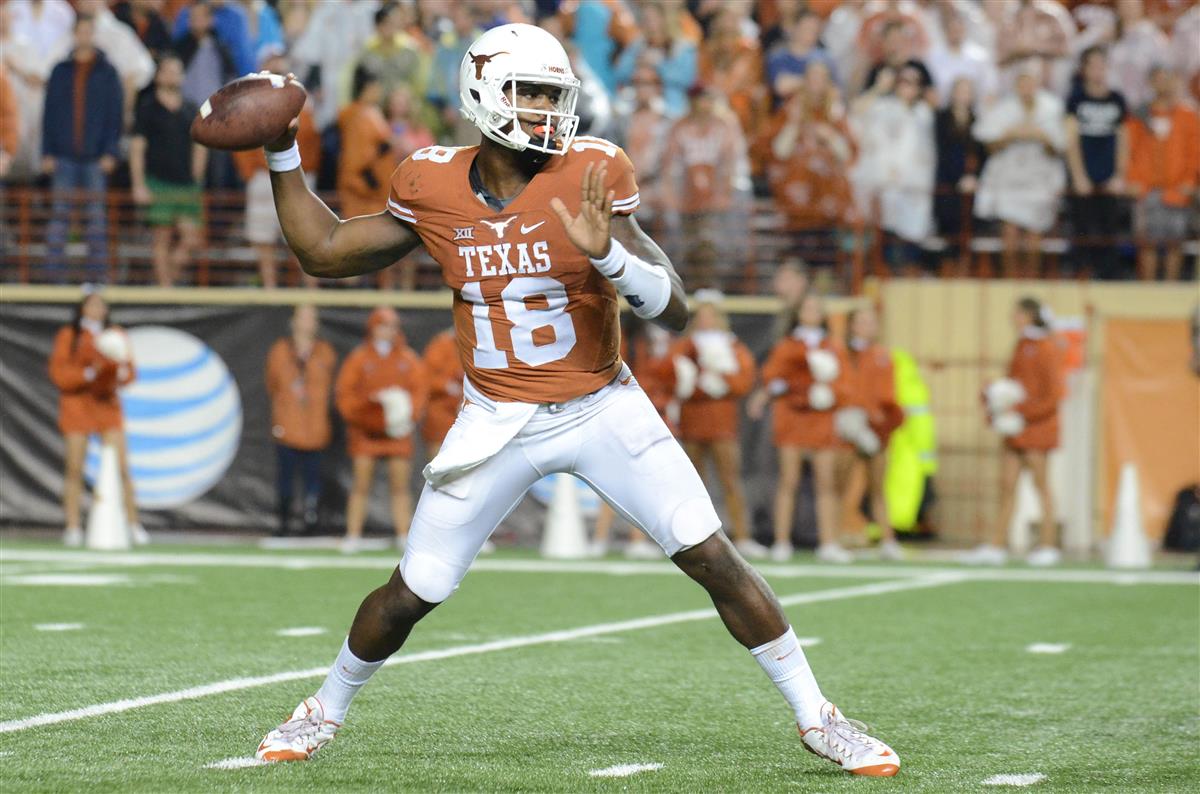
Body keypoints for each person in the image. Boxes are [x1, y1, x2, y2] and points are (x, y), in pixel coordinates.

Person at [253, 23, 899, 776]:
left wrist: (608, 256)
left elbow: (676, 307)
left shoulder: (591, 168)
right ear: (482, 93)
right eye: (528, 93)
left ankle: (819, 717)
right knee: (414, 589)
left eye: (553, 95)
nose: (543, 110)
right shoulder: (428, 182)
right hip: (497, 418)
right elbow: (323, 252)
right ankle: (321, 709)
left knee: (711, 553)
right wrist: (281, 153)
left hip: (600, 404)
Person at [964, 297, 1064, 567]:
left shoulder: (1045, 347)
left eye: (1017, 313)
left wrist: (1024, 413)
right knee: (1006, 485)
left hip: (1037, 427)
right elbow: (1015, 385)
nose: (1013, 317)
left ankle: (1048, 544)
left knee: (1041, 485)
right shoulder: (1022, 345)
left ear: (1030, 316)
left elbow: (1054, 394)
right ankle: (997, 544)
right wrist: (997, 400)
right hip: (1016, 427)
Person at [755, 291, 852, 564]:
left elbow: (846, 384)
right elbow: (773, 377)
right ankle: (782, 541)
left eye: (815, 308)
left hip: (821, 419)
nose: (811, 312)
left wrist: (831, 394)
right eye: (806, 307)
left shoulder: (833, 346)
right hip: (792, 417)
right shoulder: (788, 345)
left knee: (826, 482)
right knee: (789, 480)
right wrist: (799, 391)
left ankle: (829, 543)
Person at [667, 291, 765, 559]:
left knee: (730, 480)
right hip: (692, 422)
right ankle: (689, 537)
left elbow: (745, 380)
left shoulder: (733, 346)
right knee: (692, 484)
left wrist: (724, 382)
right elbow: (672, 377)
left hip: (723, 425)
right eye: (702, 315)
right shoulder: (686, 345)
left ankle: (742, 535)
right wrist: (700, 386)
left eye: (711, 315)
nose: (707, 320)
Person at [48, 290, 147, 548]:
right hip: (77, 406)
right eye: (91, 305)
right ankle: (72, 526)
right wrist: (89, 373)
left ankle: (134, 523)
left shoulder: (115, 334)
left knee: (122, 467)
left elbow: (128, 375)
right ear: (82, 308)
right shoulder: (70, 336)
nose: (97, 309)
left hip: (107, 406)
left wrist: (119, 367)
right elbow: (60, 375)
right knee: (74, 469)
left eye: (100, 305)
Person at [334, 307, 428, 554]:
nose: (388, 331)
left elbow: (419, 392)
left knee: (400, 486)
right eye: (383, 325)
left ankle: (403, 535)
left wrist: (406, 417)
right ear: (373, 328)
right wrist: (365, 414)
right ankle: (353, 534)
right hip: (366, 433)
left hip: (397, 434)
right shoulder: (359, 358)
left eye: (392, 326)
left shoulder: (407, 359)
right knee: (360, 485)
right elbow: (345, 395)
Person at [41, 14, 123, 283]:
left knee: (96, 221)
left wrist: (111, 151)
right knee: (59, 219)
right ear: (74, 34)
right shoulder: (60, 71)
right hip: (64, 155)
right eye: (81, 31)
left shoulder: (108, 72)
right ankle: (55, 279)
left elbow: (115, 115)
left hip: (95, 158)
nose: (85, 36)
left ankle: (97, 280)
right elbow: (49, 114)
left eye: (89, 31)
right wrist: (47, 152)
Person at [231, 52, 321, 289]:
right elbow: (241, 142)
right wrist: (251, 173)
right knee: (263, 239)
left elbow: (311, 142)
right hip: (263, 176)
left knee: (304, 238)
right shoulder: (251, 103)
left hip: (296, 176)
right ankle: (270, 291)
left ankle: (310, 294)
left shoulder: (304, 103)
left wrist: (305, 173)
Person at [973, 64, 1066, 278]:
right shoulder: (1003, 109)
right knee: (1010, 232)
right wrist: (1012, 135)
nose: (1027, 88)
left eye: (1030, 83)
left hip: (1038, 179)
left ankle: (1031, 278)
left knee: (1035, 234)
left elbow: (1059, 146)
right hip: (1010, 179)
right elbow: (989, 145)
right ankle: (1010, 278)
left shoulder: (1051, 107)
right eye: (1022, 83)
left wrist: (1039, 135)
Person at [130, 55, 206, 287]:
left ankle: (169, 280)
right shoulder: (147, 107)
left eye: (176, 71)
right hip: (158, 180)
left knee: (192, 238)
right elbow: (137, 147)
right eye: (168, 71)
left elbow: (200, 142)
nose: (172, 75)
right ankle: (166, 289)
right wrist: (139, 184)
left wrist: (198, 173)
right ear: (158, 75)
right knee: (161, 237)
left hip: (185, 182)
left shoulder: (191, 107)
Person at [839, 306, 905, 561]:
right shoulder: (843, 353)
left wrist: (881, 425)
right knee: (840, 485)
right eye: (863, 321)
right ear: (852, 325)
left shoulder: (883, 355)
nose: (869, 326)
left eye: (872, 322)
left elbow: (889, 396)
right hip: (847, 427)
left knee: (878, 486)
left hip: (874, 429)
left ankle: (887, 540)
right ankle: (836, 538)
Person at [265, 305, 336, 537]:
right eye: (303, 317)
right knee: (285, 479)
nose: (307, 323)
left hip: (315, 427)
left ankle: (311, 522)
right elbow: (272, 385)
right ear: (293, 321)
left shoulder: (324, 352)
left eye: (311, 318)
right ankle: (284, 521)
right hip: (287, 424)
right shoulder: (280, 351)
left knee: (313, 481)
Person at [1125, 66, 1200, 282]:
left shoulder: (1187, 115)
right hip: (1146, 188)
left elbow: (1195, 152)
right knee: (1146, 241)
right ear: (1150, 83)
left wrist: (1189, 181)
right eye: (1157, 80)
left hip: (1176, 189)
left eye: (1166, 79)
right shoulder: (1140, 114)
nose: (1162, 84)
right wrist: (1132, 179)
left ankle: (1170, 289)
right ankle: (1147, 290)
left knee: (1174, 242)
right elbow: (1130, 149)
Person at [1064, 47, 1128, 280]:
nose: (1099, 71)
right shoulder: (1076, 99)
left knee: (1109, 228)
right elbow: (1071, 140)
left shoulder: (1117, 99)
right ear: (1084, 69)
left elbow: (1123, 139)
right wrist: (1079, 175)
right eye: (1094, 65)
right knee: (1082, 228)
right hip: (1084, 174)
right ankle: (1081, 273)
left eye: (1102, 65)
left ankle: (1109, 276)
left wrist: (1120, 175)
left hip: (1109, 175)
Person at [933, 76, 985, 272]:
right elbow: (942, 152)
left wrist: (974, 177)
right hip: (947, 185)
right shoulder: (941, 118)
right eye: (960, 90)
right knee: (947, 232)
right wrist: (957, 179)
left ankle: (964, 271)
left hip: (971, 187)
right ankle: (948, 272)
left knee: (968, 233)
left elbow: (982, 154)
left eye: (968, 91)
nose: (964, 95)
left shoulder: (977, 120)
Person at [419, 328, 461, 459]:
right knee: (439, 463)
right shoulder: (442, 344)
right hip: (442, 409)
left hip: (472, 409)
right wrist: (445, 386)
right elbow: (426, 377)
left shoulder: (484, 341)